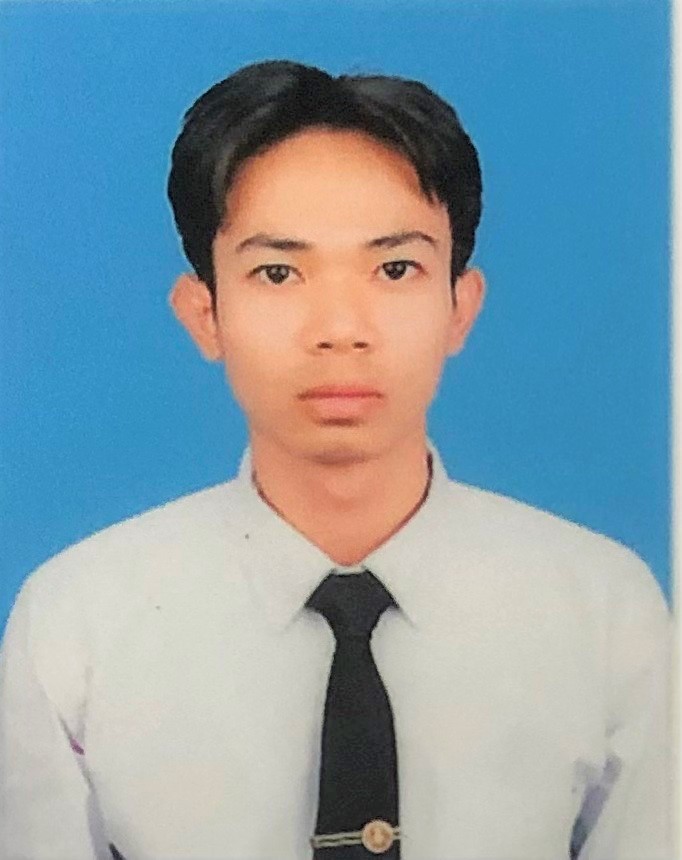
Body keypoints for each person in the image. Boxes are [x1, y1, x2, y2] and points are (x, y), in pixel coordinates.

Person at [0, 59, 672, 860]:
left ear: (460, 308)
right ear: (204, 314)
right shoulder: (77, 623)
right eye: (278, 272)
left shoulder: (604, 613)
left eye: (395, 269)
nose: (341, 329)